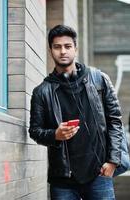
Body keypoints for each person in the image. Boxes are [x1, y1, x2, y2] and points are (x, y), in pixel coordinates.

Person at [28, 24, 123, 200]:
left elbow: (115, 121)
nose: (63, 51)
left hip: (99, 173)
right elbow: (35, 131)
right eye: (57, 47)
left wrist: (112, 161)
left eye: (67, 46)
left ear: (75, 49)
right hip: (62, 180)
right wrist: (55, 135)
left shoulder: (99, 79)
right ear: (50, 51)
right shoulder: (41, 91)